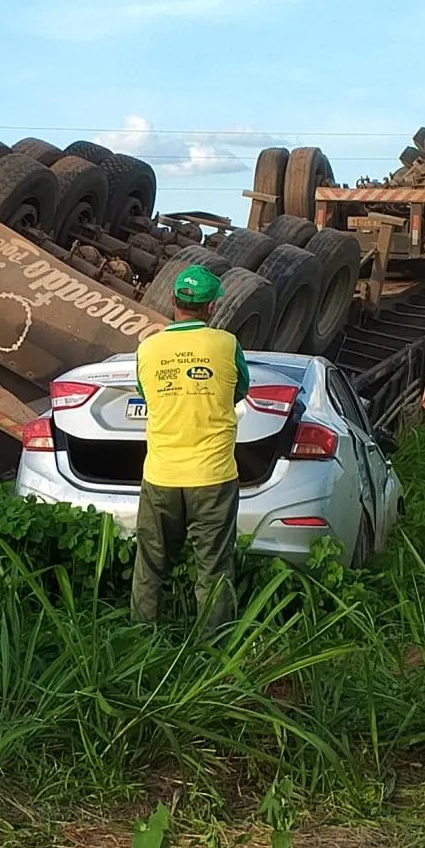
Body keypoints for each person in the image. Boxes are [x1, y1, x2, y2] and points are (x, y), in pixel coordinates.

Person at [131, 264, 250, 635]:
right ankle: (212, 653)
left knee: (150, 565)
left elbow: (144, 395)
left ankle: (139, 643)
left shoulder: (148, 349)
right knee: (213, 569)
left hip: (162, 474)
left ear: (173, 301)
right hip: (213, 476)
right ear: (211, 307)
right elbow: (240, 391)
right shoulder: (227, 345)